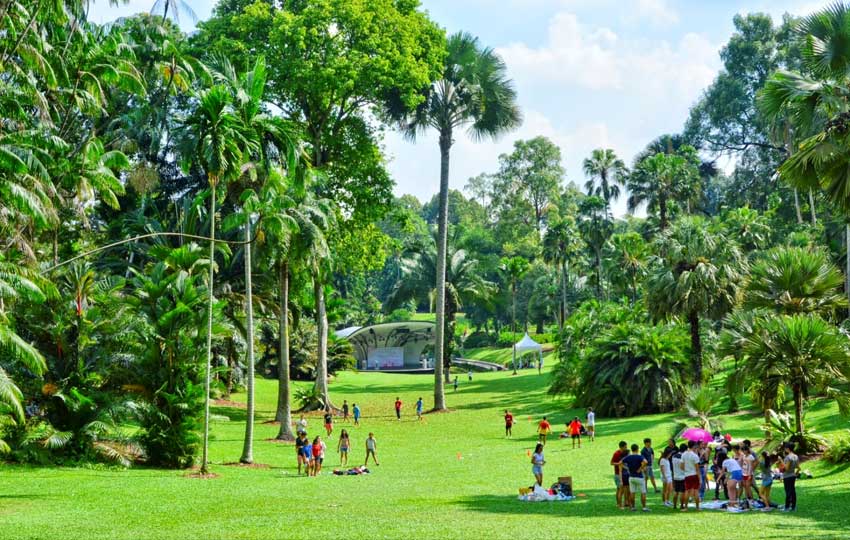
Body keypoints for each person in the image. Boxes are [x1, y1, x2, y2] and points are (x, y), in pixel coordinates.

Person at [621, 443, 650, 512]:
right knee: (643, 492)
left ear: (631, 449)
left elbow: (620, 463)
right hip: (639, 477)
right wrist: (640, 469)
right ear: (637, 449)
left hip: (631, 477)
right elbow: (646, 462)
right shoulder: (639, 456)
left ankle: (633, 507)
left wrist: (627, 468)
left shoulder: (629, 457)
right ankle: (644, 507)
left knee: (632, 492)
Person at [680, 441, 701, 512]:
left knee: (687, 491)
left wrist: (686, 470)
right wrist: (700, 478)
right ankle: (697, 507)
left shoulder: (683, 455)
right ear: (694, 446)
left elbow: (681, 466)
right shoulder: (695, 456)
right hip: (694, 475)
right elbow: (697, 469)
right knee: (696, 491)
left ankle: (685, 507)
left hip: (687, 475)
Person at [780, 442, 799, 511]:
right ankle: (793, 506)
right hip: (793, 475)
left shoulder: (788, 457)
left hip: (787, 476)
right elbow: (798, 467)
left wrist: (781, 461)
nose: (784, 449)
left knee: (788, 492)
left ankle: (787, 507)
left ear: (788, 449)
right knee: (793, 491)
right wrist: (796, 473)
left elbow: (786, 469)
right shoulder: (795, 456)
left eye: (785, 448)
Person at [611, 440, 629, 509]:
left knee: (625, 489)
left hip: (625, 474)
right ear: (621, 447)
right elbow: (612, 463)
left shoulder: (626, 453)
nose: (626, 448)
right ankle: (619, 504)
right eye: (625, 447)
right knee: (619, 489)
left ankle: (625, 503)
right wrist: (619, 464)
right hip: (618, 474)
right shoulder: (616, 454)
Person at [671, 444, 687, 510]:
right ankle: (681, 505)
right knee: (682, 492)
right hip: (682, 476)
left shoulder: (674, 456)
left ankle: (674, 505)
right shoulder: (683, 457)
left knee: (676, 491)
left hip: (675, 476)